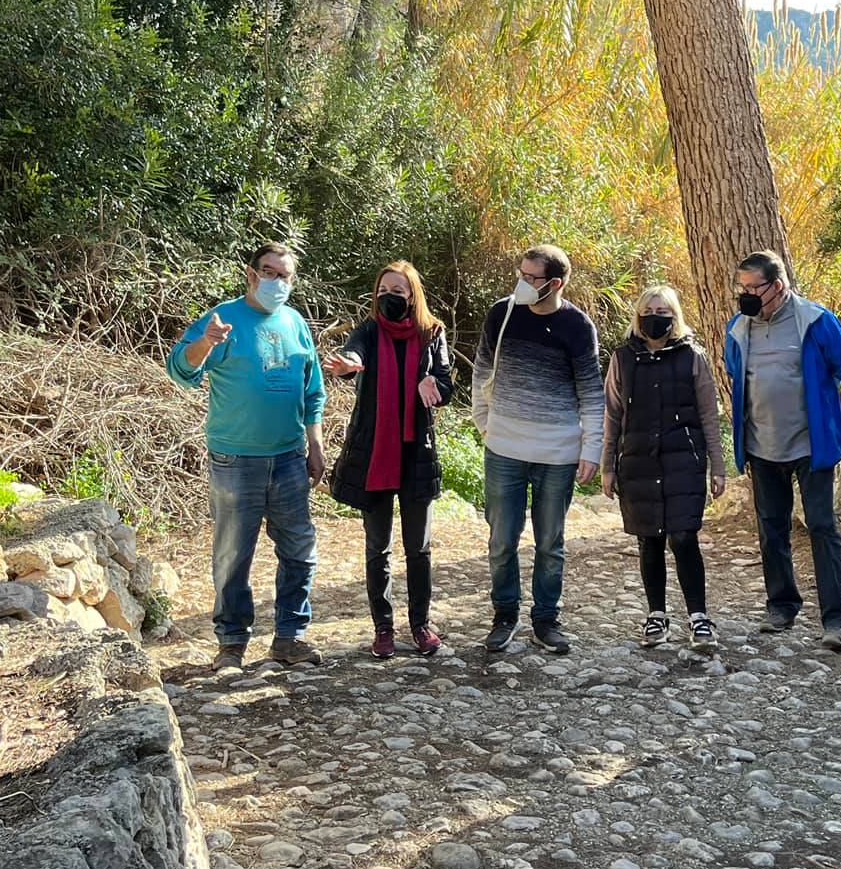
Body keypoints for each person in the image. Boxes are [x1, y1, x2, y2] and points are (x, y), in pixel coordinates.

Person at [166, 242, 326, 670]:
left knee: (299, 550)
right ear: (251, 275)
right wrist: (205, 342)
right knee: (233, 554)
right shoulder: (224, 318)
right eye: (270, 273)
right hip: (236, 460)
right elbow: (181, 370)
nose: (278, 282)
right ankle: (232, 642)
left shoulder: (294, 322)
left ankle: (290, 637)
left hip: (290, 457)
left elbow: (312, 391)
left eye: (285, 275)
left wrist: (315, 443)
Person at [723, 249, 841, 653]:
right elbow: (736, 377)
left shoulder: (816, 322)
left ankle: (837, 620)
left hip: (812, 443)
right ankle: (782, 606)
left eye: (755, 288)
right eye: (743, 288)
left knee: (822, 526)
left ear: (779, 285)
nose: (748, 296)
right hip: (761, 446)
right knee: (771, 528)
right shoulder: (738, 328)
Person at [471, 244, 603, 655]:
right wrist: (484, 424)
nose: (522, 283)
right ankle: (504, 615)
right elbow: (482, 369)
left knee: (550, 543)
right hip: (505, 448)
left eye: (532, 278)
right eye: (521, 274)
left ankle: (546, 620)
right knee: (502, 539)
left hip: (557, 452)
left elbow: (591, 392)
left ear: (555, 284)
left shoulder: (578, 327)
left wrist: (592, 448)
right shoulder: (502, 313)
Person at [323, 262, 454, 659]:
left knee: (420, 548)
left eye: (398, 290)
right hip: (375, 452)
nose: (389, 297)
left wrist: (435, 385)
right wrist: (348, 364)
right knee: (377, 548)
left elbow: (446, 383)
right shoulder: (368, 330)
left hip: (417, 453)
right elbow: (353, 355)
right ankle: (383, 627)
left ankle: (420, 625)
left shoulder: (432, 333)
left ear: (412, 294)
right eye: (383, 289)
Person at [601, 284, 727, 652]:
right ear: (638, 315)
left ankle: (699, 617)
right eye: (648, 310)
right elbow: (612, 415)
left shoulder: (693, 357)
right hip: (638, 459)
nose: (654, 317)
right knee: (649, 538)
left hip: (684, 460)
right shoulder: (622, 358)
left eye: (662, 311)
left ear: (675, 316)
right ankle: (656, 615)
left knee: (684, 537)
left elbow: (709, 415)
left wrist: (717, 466)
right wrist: (607, 465)